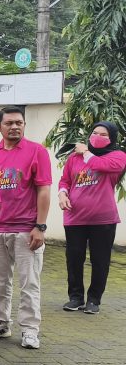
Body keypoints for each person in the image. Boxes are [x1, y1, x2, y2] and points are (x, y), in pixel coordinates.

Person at [0, 106, 52, 349]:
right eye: (9, 123)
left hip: (26, 230)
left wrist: (40, 226)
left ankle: (30, 329)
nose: (14, 127)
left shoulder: (37, 151)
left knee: (29, 283)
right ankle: (0, 323)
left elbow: (44, 190)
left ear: (24, 125)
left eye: (19, 123)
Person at [58, 121, 126, 314]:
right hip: (75, 217)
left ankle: (94, 300)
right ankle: (75, 297)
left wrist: (86, 152)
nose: (97, 137)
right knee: (74, 259)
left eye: (103, 134)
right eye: (95, 132)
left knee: (100, 260)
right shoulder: (74, 158)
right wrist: (62, 194)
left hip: (103, 219)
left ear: (112, 138)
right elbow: (65, 180)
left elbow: (100, 165)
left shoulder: (118, 156)